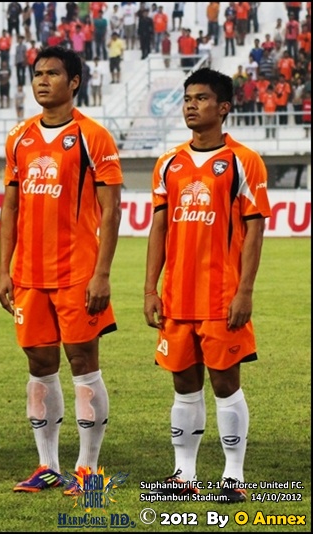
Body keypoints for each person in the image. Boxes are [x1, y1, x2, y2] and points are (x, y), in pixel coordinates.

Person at [0, 46, 122, 493]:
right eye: (37, 73)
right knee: (39, 364)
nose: (42, 80)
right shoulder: (19, 137)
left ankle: (88, 469)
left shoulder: (93, 136)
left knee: (83, 363)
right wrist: (3, 270)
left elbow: (111, 209)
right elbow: (10, 207)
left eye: (52, 73)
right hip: (29, 276)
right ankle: (47, 465)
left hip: (77, 272)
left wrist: (102, 273)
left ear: (74, 82)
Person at [143, 68, 271, 504]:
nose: (191, 106)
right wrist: (150, 289)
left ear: (224, 107)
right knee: (183, 385)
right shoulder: (169, 163)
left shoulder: (243, 161)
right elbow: (159, 228)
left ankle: (233, 476)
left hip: (221, 296)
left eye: (201, 98)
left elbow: (254, 231)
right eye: (187, 99)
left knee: (225, 383)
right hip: (177, 298)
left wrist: (245, 291)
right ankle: (184, 475)